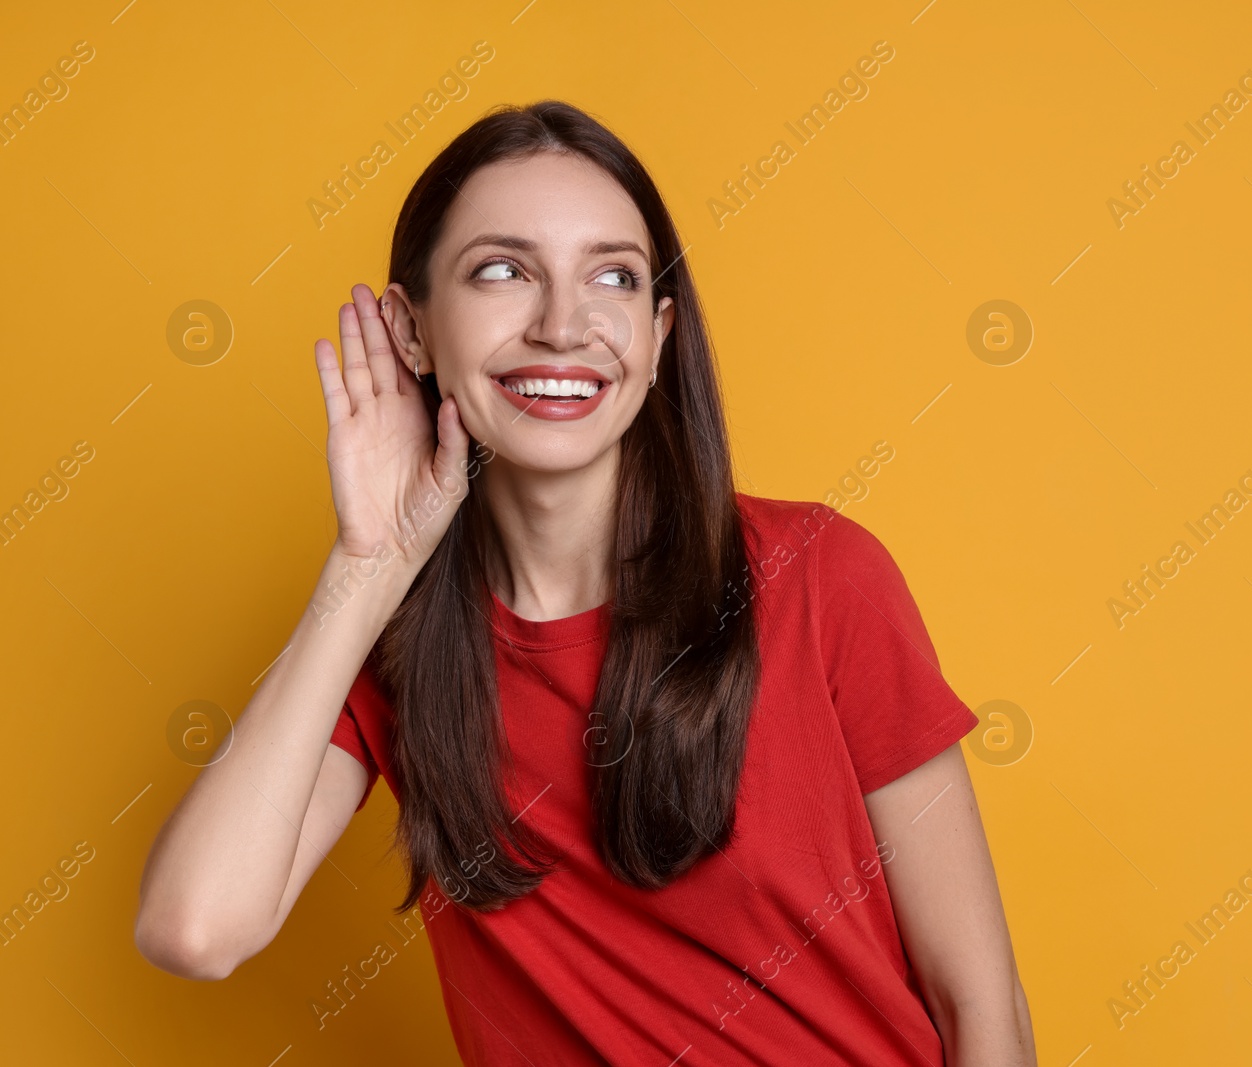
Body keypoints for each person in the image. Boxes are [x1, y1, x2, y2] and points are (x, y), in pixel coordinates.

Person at [134, 100, 1036, 1066]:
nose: (563, 325)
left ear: (654, 336)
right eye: (501, 270)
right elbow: (195, 927)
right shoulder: (391, 644)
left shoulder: (820, 575)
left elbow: (979, 1000)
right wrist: (369, 563)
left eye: (611, 277)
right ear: (411, 331)